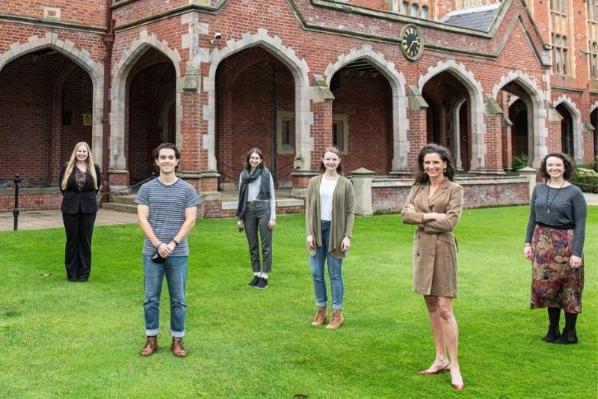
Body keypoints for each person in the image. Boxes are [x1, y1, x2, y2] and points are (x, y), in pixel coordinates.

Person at [400, 144, 464, 391]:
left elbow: (451, 222)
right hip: (422, 250)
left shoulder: (455, 189)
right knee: (430, 305)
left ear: (445, 164)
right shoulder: (418, 187)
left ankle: (454, 364)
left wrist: (420, 217)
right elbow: (404, 215)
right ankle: (440, 358)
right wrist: (429, 217)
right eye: (427, 163)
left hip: (444, 251)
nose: (431, 167)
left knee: (445, 308)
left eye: (436, 162)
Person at [136, 143, 200, 358]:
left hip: (178, 253)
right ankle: (151, 338)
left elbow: (190, 220)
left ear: (177, 161)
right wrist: (157, 244)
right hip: (152, 252)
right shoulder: (146, 189)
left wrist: (172, 244)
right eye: (162, 157)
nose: (166, 161)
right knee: (151, 298)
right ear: (156, 161)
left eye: (170, 157)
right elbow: (142, 219)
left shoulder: (188, 190)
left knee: (178, 299)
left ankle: (177, 340)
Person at [523, 153, 587, 345]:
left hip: (566, 243)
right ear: (545, 167)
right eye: (550, 165)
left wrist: (577, 253)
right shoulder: (539, 189)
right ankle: (552, 329)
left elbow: (581, 224)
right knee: (548, 287)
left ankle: (570, 332)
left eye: (558, 165)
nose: (554, 168)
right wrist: (527, 243)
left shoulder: (575, 192)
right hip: (542, 243)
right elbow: (532, 217)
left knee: (568, 287)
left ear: (565, 167)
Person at [305, 147, 354, 330]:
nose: (331, 162)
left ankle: (337, 313)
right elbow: (309, 210)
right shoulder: (314, 182)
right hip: (318, 230)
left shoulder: (345, 184)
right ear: (322, 160)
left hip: (336, 231)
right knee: (317, 272)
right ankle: (320, 310)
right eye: (328, 159)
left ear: (339, 161)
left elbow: (350, 212)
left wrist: (347, 236)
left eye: (334, 159)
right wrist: (309, 233)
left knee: (335, 273)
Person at [59, 141, 101, 282]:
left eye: (84, 151)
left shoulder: (94, 168)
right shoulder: (67, 168)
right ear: (75, 153)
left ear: (88, 153)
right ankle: (72, 274)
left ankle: (84, 274)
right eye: (79, 151)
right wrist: (74, 199)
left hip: (88, 209)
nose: (81, 154)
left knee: (85, 240)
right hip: (70, 208)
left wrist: (85, 200)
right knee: (72, 240)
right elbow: (62, 188)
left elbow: (96, 188)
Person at [236, 148, 276, 289]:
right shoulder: (243, 175)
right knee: (253, 245)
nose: (254, 160)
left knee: (266, 245)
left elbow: (272, 196)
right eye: (252, 158)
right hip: (248, 210)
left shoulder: (266, 174)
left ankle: (264, 276)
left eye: (257, 158)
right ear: (248, 159)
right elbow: (240, 197)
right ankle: (256, 274)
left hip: (264, 208)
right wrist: (240, 217)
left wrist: (273, 217)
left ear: (261, 160)